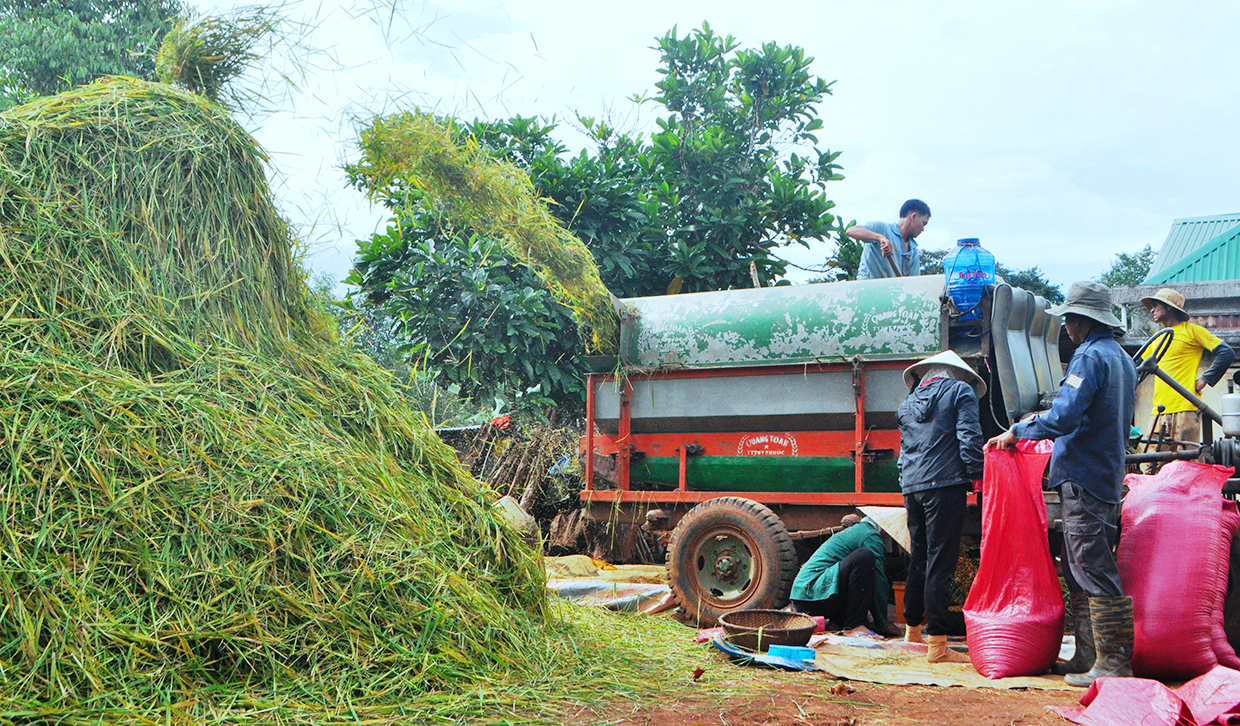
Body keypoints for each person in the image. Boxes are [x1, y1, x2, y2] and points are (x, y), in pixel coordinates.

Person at [988, 281, 1137, 687]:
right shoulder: (1121, 358)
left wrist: (1019, 430)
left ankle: (1113, 662)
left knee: (1091, 565)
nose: (1066, 327)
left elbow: (1065, 416)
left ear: (1083, 321)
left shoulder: (1089, 358)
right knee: (1078, 566)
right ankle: (1088, 656)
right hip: (1103, 474)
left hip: (1084, 476)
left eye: (1069, 319)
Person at [896, 349, 984, 664]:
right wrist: (978, 474)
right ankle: (938, 644)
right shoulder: (960, 391)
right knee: (941, 561)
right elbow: (969, 438)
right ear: (955, 374)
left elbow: (904, 454)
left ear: (927, 374)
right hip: (945, 485)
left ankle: (912, 632)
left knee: (919, 557)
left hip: (912, 487)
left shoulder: (906, 405)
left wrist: (909, 483)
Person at [1140, 287, 1235, 446]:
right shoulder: (1158, 339)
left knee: (1185, 462)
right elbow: (1139, 367)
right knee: (1152, 463)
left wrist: (1206, 379)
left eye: (1156, 305)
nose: (1151, 310)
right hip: (1159, 410)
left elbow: (1226, 352)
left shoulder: (1192, 331)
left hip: (1186, 408)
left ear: (1169, 307)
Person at [790, 514, 897, 637]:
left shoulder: (859, 531)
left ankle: (838, 622)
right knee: (865, 556)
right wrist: (883, 622)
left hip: (808, 596)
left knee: (857, 571)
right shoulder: (871, 535)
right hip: (811, 595)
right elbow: (879, 580)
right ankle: (855, 625)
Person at [847, 199, 931, 280]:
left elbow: (913, 283)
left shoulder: (913, 251)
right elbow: (851, 231)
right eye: (923, 223)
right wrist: (880, 238)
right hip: (867, 289)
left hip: (891, 292)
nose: (923, 229)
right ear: (913, 216)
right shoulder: (882, 229)